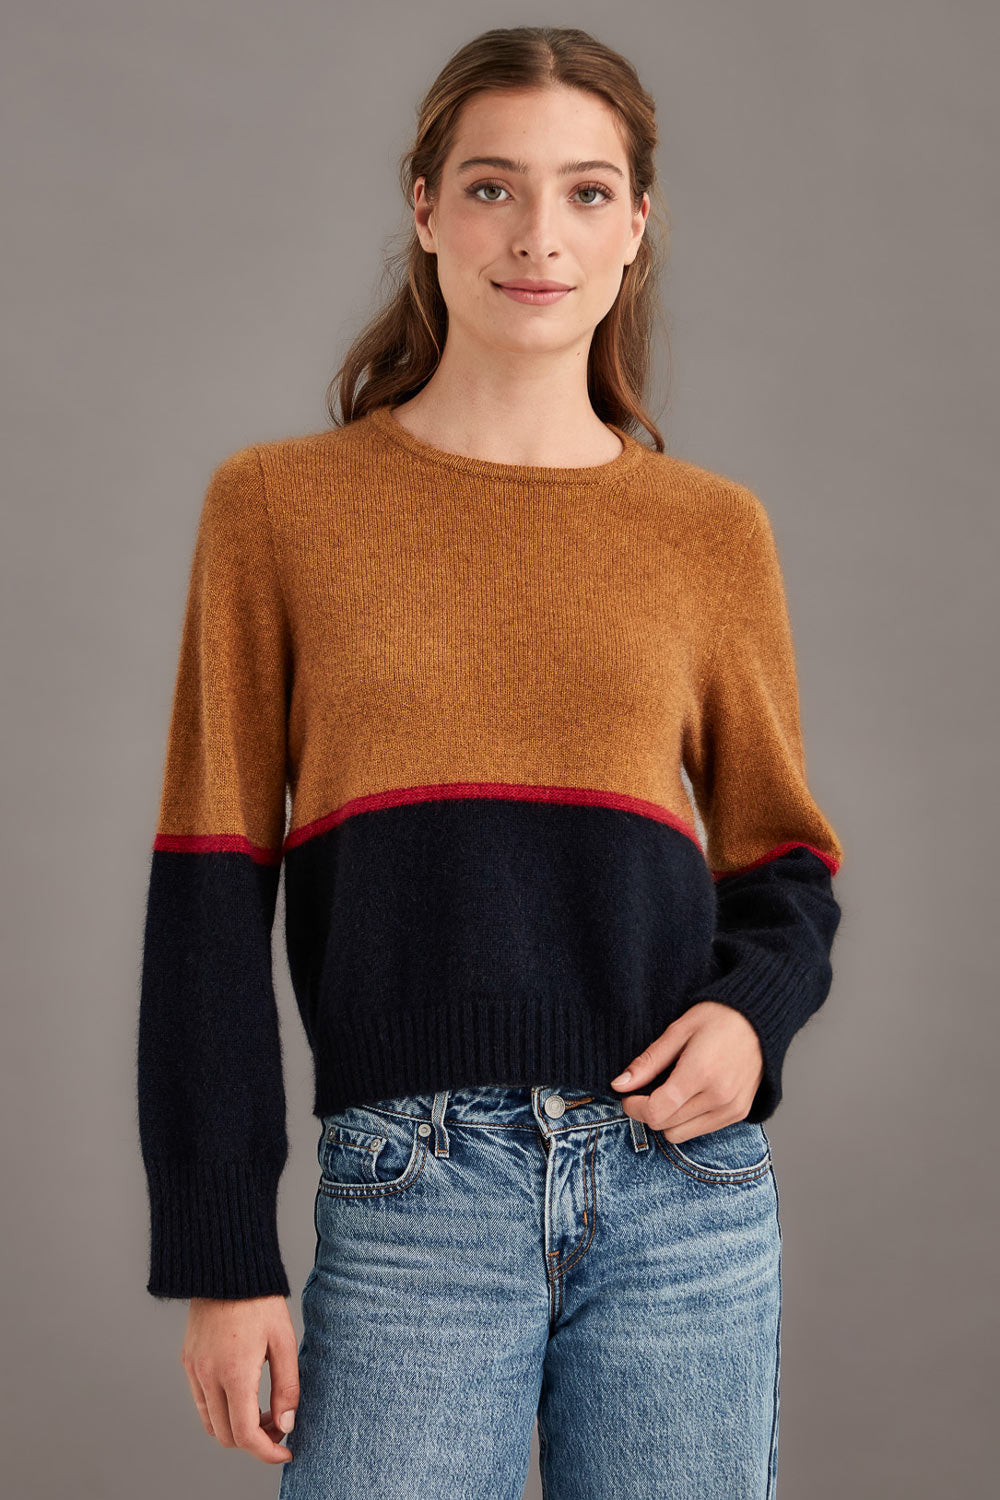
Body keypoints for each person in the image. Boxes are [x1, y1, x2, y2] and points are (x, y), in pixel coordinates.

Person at [137, 25, 844, 1500]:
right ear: (423, 207)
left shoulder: (710, 532)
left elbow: (785, 859)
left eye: (587, 192)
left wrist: (751, 1016)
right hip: (414, 1189)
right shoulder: (279, 510)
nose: (539, 237)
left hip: (682, 1188)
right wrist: (222, 1255)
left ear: (636, 225)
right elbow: (207, 893)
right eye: (491, 187)